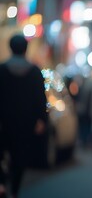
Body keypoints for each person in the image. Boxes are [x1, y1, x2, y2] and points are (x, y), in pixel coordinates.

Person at [0, 34, 48, 198]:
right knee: (20, 156)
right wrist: (41, 120)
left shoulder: (2, 69)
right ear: (25, 49)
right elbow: (41, 99)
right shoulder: (34, 71)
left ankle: (1, 184)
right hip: (26, 122)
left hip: (4, 121)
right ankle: (14, 190)